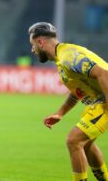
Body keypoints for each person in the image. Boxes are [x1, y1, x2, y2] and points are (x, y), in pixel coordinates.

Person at [28, 22, 108, 181]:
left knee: (74, 140)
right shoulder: (62, 58)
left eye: (33, 45)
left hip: (104, 101)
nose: (32, 50)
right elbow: (77, 91)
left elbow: (103, 73)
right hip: (97, 102)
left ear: (40, 42)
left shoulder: (68, 57)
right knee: (85, 143)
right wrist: (60, 113)